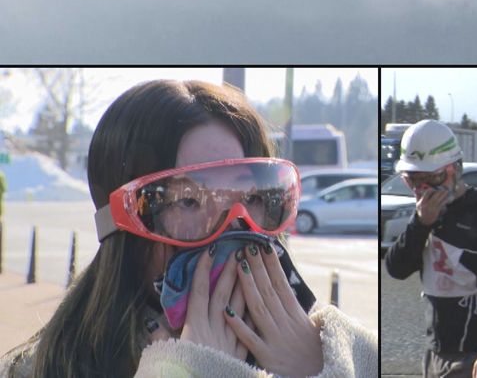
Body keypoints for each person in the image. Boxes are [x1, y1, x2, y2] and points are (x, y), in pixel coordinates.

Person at [0, 79, 377, 378]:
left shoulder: (328, 351)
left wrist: (322, 367)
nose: (231, 228)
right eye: (189, 201)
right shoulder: (43, 368)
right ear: (121, 227)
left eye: (255, 197)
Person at [384, 119, 477, 378]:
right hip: (436, 348)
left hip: (474, 351)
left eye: (432, 179)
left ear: (455, 170)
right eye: (412, 181)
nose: (422, 189)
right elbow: (396, 268)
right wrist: (421, 223)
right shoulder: (425, 215)